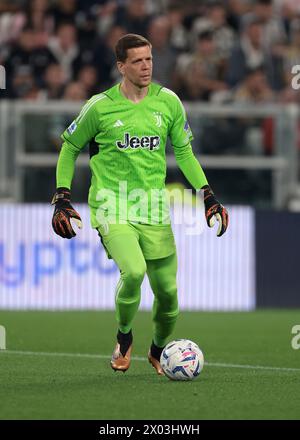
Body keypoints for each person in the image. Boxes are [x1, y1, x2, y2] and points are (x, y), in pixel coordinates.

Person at [51, 33, 228, 375]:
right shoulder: (100, 106)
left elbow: (185, 152)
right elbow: (69, 148)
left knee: (169, 297)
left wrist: (207, 193)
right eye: (137, 61)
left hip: (153, 210)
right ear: (121, 66)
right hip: (110, 205)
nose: (146, 66)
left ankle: (158, 350)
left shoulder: (169, 102)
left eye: (149, 59)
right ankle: (124, 337)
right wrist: (61, 196)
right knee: (133, 271)